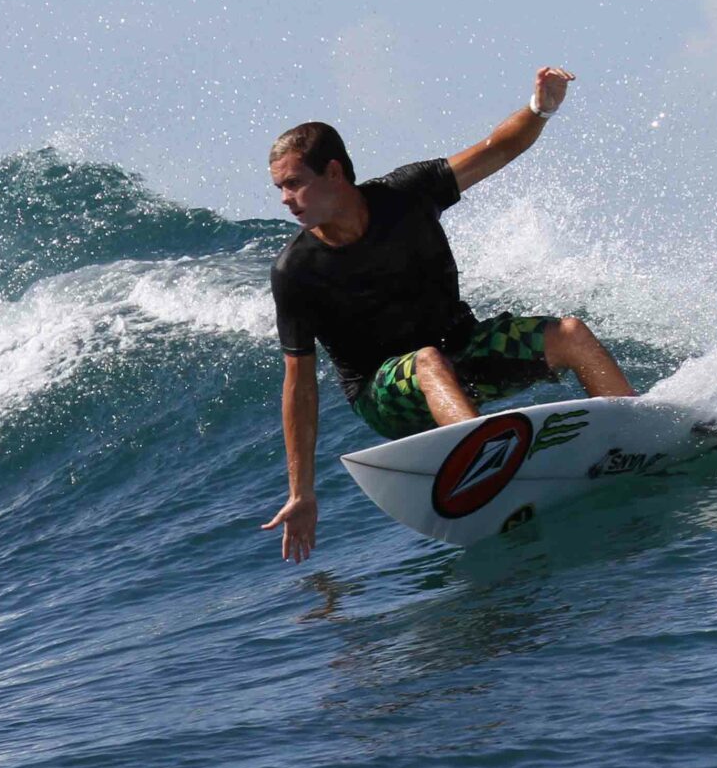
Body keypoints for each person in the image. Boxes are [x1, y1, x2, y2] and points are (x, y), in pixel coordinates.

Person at [261, 67, 637, 561]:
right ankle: (489, 472)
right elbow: (299, 385)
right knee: (426, 361)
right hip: (382, 392)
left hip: (462, 350)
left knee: (569, 333)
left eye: (294, 184)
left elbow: (498, 149)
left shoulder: (405, 194)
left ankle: (636, 436)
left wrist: (540, 109)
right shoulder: (295, 271)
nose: (286, 199)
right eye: (280, 188)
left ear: (334, 172)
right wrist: (302, 491)